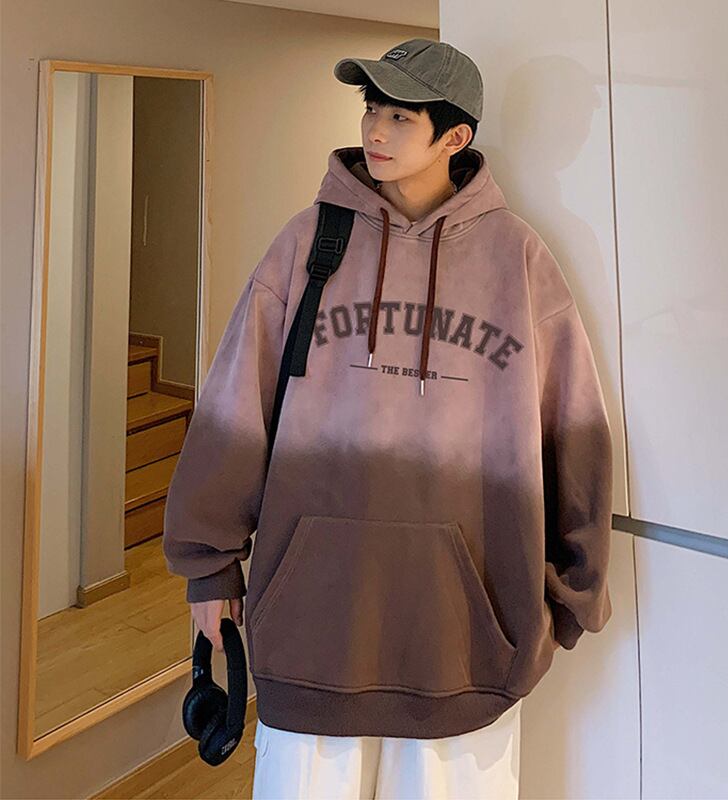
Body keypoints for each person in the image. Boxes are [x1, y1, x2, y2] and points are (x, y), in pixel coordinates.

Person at [162, 37, 613, 799]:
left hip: (465, 641)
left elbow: (574, 425)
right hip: (313, 627)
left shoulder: (516, 258)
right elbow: (236, 406)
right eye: (371, 108)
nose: (374, 129)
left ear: (454, 137)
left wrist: (574, 590)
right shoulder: (309, 242)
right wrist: (208, 568)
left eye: (400, 116)